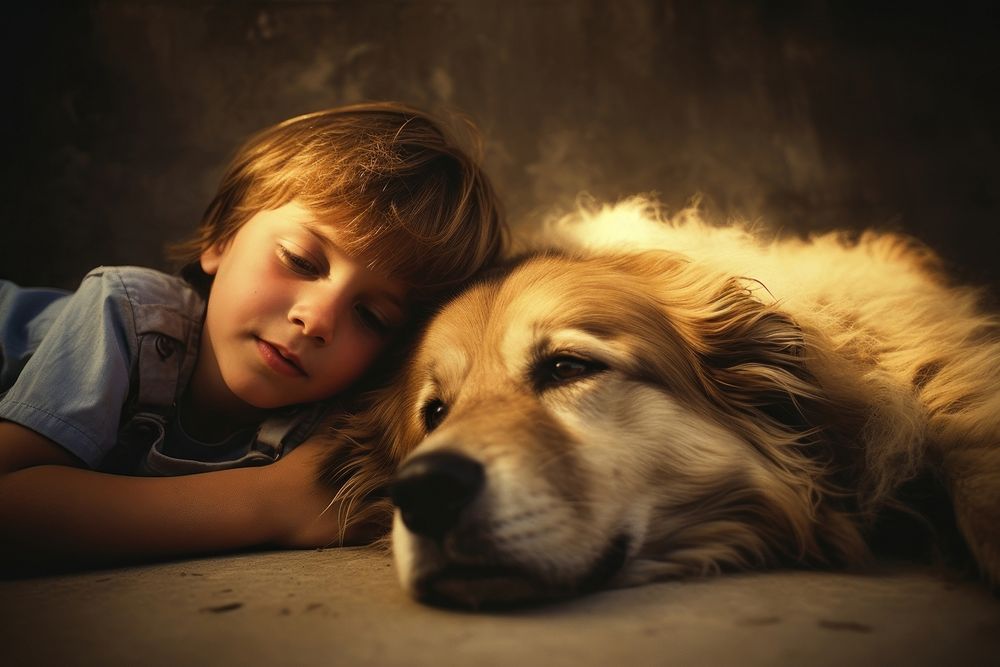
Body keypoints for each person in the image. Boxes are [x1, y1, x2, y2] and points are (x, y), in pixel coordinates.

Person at [0, 102, 507, 569]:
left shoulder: (328, 426)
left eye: (372, 316)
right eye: (301, 260)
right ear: (223, 236)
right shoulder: (127, 311)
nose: (318, 320)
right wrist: (269, 501)